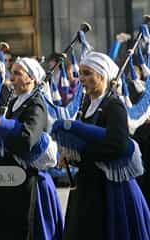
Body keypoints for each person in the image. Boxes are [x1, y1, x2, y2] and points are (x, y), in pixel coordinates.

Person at [63, 51, 150, 239]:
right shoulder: (86, 105)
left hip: (110, 188)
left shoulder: (113, 106)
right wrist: (70, 156)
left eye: (87, 73)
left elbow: (116, 145)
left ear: (101, 76)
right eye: (80, 73)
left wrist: (80, 153)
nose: (81, 78)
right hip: (87, 184)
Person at [0, 57, 64, 239]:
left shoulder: (36, 105)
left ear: (32, 78)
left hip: (25, 178)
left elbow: (27, 140)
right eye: (12, 73)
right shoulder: (13, 103)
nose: (11, 78)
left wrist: (0, 135)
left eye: (17, 73)